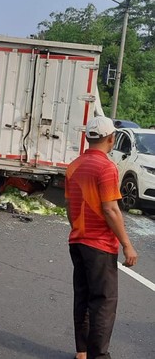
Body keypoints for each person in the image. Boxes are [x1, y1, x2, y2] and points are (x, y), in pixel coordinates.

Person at [65, 116, 138, 359]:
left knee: (83, 298)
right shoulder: (106, 167)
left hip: (77, 240)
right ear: (111, 139)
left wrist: (77, 229)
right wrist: (127, 245)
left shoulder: (74, 166)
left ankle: (82, 352)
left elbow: (69, 206)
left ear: (88, 138)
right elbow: (111, 209)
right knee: (104, 302)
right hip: (99, 244)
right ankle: (99, 355)